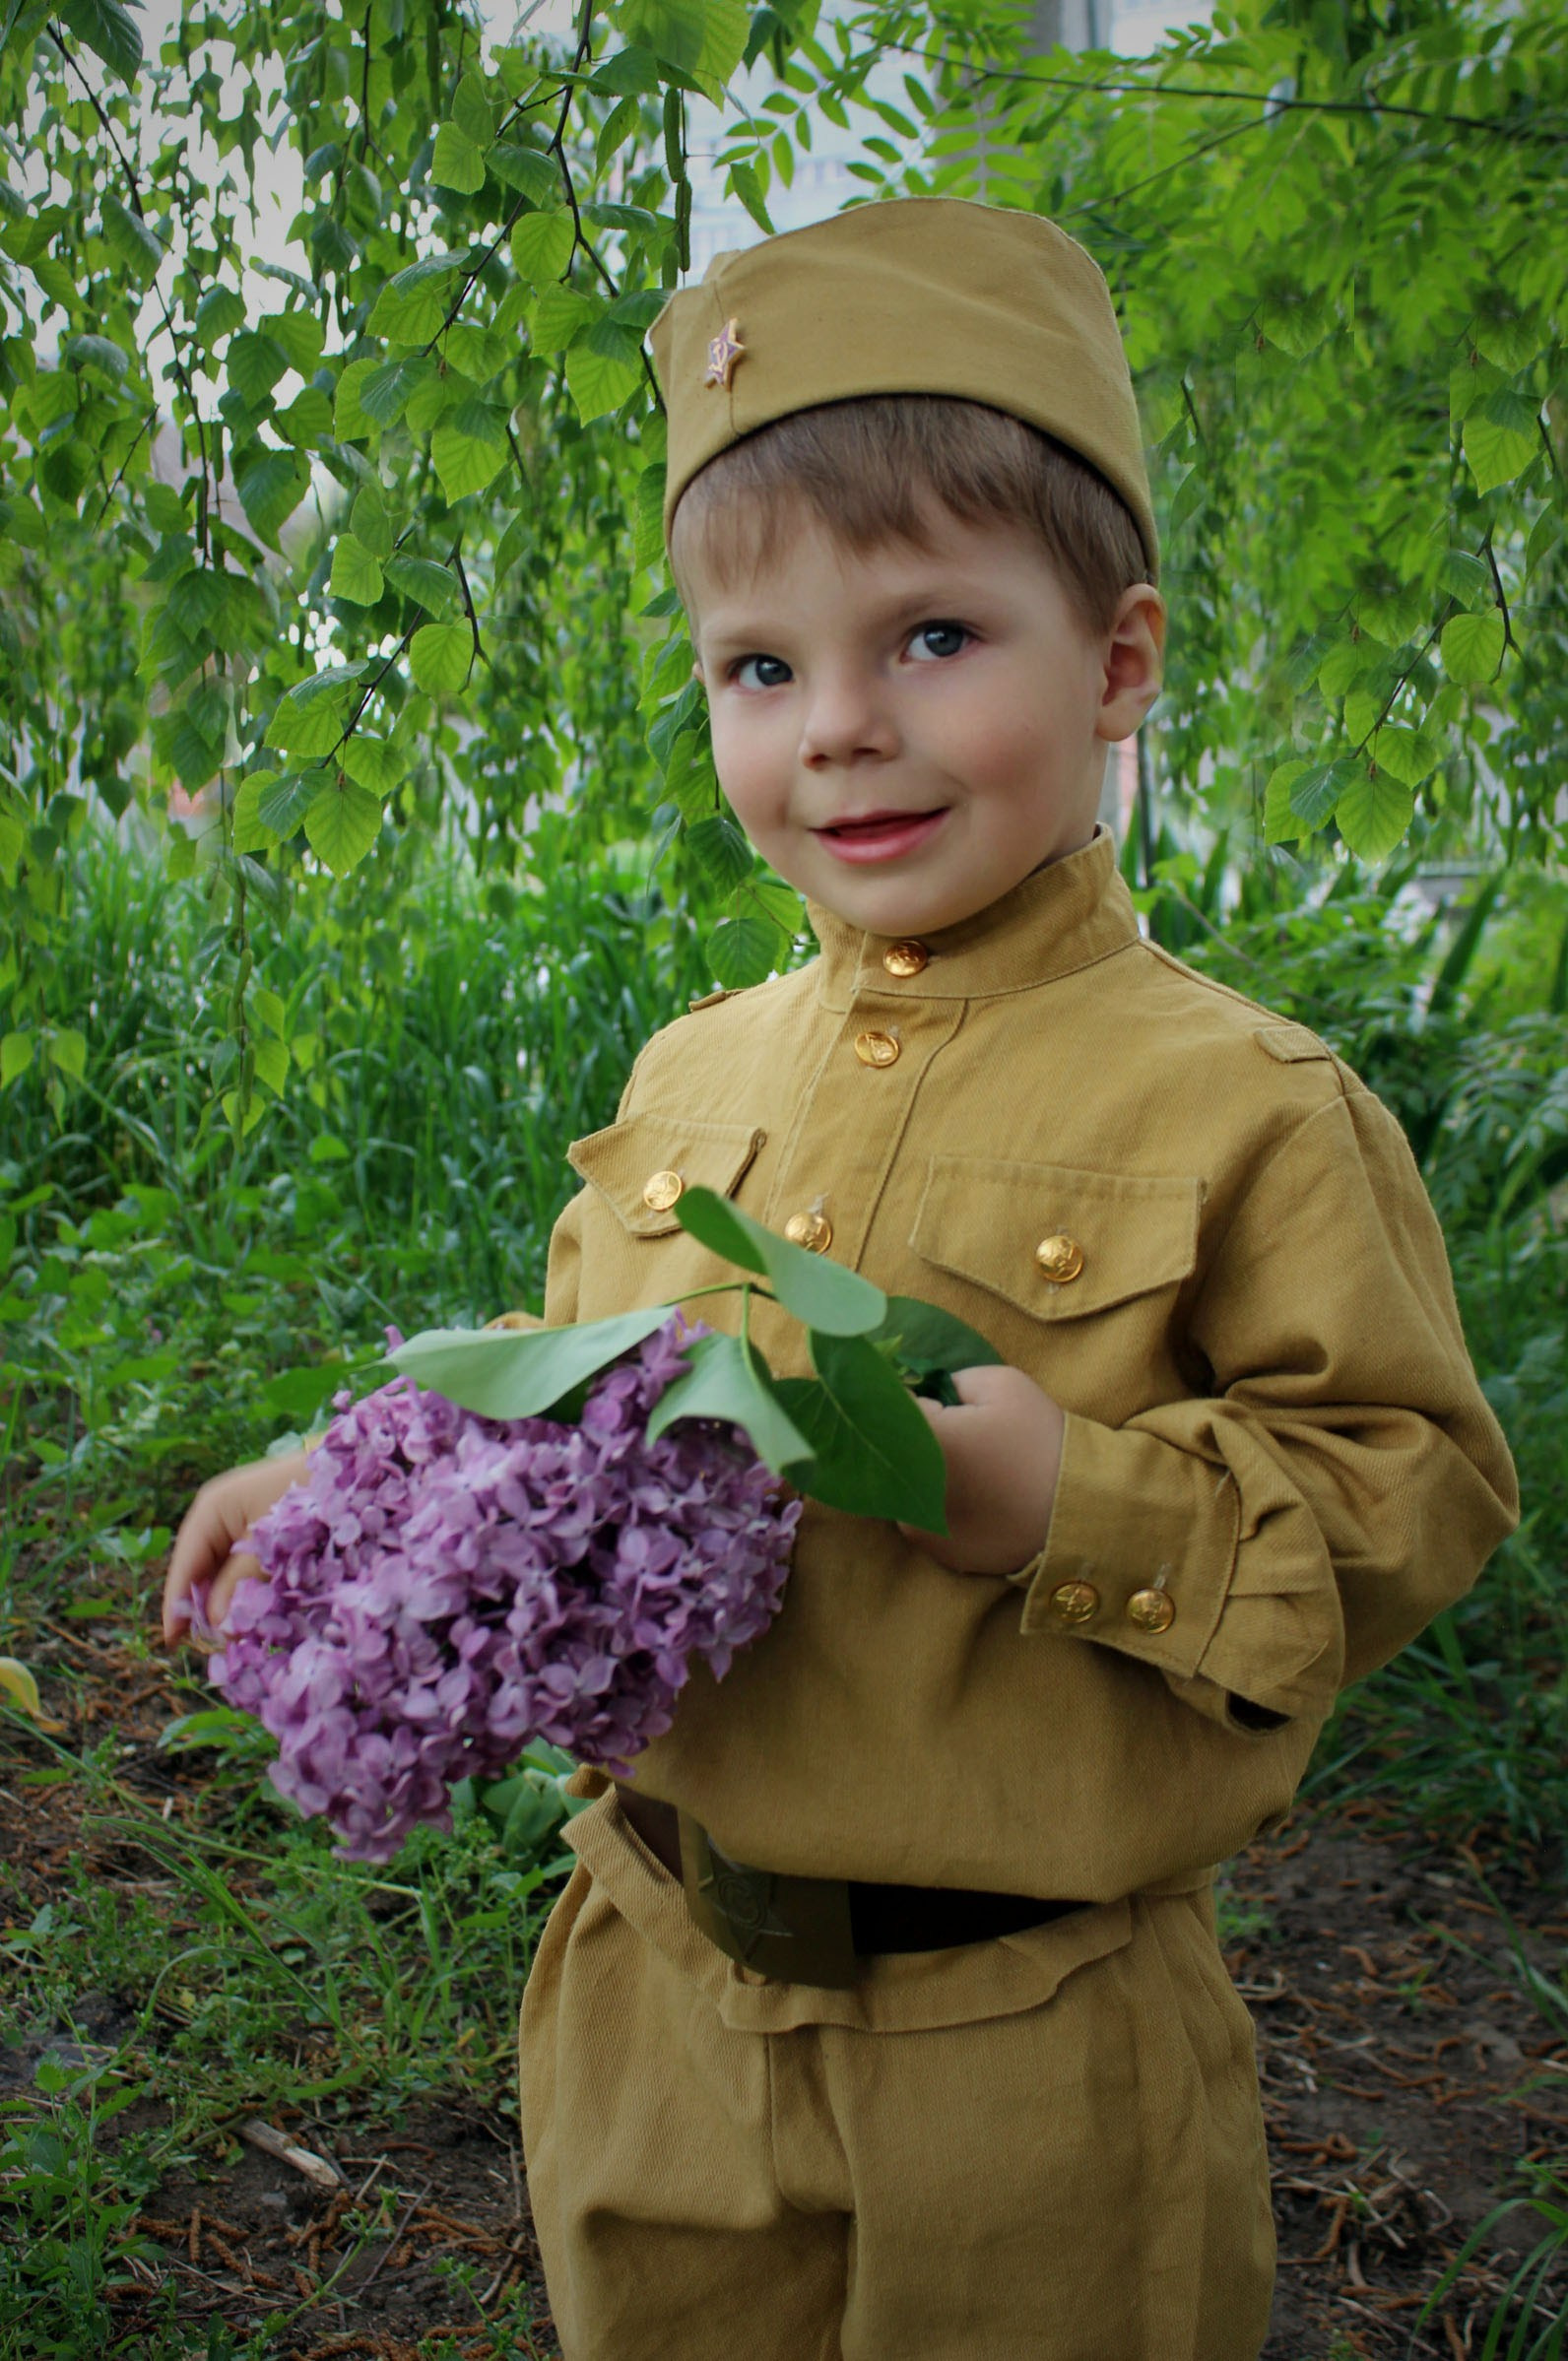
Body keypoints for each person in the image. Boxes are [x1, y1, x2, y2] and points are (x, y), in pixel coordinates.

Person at [163, 198, 1519, 2360]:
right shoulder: (690, 1073)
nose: (841, 729)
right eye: (761, 668)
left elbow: (1411, 1489)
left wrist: (1067, 1496)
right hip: (652, 1997)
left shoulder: (1244, 1103)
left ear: (1120, 660)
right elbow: (576, 1402)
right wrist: (342, 1486)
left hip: (1030, 2055)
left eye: (934, 637)